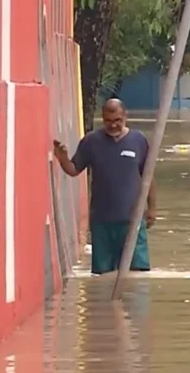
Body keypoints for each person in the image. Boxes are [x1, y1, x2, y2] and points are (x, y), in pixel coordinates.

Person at [52, 98, 156, 275]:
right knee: (102, 276)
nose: (113, 125)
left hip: (132, 220)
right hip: (101, 221)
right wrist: (62, 158)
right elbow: (74, 169)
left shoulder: (139, 140)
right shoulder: (91, 141)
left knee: (137, 275)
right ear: (103, 118)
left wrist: (152, 208)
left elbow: (148, 176)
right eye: (108, 121)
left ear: (125, 116)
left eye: (117, 120)